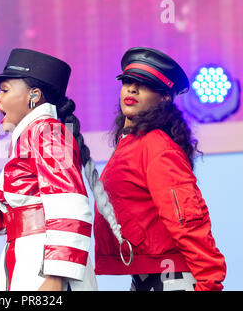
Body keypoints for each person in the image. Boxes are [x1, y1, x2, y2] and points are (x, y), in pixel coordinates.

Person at [0, 48, 120, 290]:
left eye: (5, 90)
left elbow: (69, 204)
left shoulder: (46, 132)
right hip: (26, 260)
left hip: (44, 265)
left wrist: (55, 277)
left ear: (34, 95)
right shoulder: (30, 137)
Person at [93, 47, 226, 291]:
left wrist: (209, 282)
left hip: (170, 278)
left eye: (144, 84)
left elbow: (186, 219)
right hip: (147, 277)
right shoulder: (132, 143)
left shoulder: (156, 146)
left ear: (165, 97)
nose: (132, 89)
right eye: (127, 82)